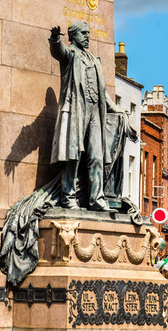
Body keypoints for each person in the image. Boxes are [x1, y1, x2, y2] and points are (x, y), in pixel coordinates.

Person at [49, 21, 125, 212]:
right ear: (73, 36)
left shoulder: (93, 59)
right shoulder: (71, 55)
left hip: (94, 113)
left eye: (88, 33)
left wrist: (117, 110)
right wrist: (55, 39)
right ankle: (68, 197)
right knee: (73, 156)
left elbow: (103, 93)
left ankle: (96, 199)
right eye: (83, 33)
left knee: (96, 156)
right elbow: (60, 52)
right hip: (77, 110)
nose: (87, 36)